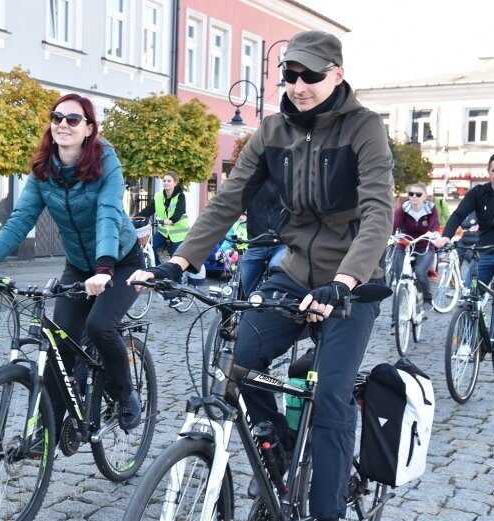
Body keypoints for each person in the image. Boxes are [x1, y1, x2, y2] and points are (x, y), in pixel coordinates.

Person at [128, 30, 393, 521]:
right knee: (236, 364)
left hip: (350, 284)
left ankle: (326, 510)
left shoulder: (364, 127)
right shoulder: (272, 131)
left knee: (332, 396)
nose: (298, 85)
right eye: (289, 75)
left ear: (336, 74)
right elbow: (227, 201)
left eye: (310, 75)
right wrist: (178, 262)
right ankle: (285, 450)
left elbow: (378, 212)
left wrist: (346, 282)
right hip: (292, 274)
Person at [0, 93, 143, 431]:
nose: (63, 124)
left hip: (120, 261)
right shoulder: (44, 169)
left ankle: (124, 394)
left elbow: (107, 213)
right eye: (57, 117)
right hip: (78, 264)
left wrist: (104, 268)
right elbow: (20, 220)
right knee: (60, 343)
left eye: (73, 119)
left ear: (89, 127)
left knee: (99, 326)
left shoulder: (106, 161)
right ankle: (50, 428)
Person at [435, 153, 494, 287]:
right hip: (484, 252)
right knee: (470, 295)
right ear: (489, 172)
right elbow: (458, 215)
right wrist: (446, 237)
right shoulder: (478, 193)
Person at [391, 182, 439, 332]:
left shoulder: (430, 209)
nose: (414, 197)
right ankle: (395, 321)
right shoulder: (403, 209)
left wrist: (435, 234)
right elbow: (394, 225)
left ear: (424, 196)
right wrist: (389, 234)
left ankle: (427, 298)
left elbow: (435, 225)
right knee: (399, 283)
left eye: (418, 194)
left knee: (420, 272)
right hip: (405, 246)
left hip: (425, 246)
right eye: (411, 194)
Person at [136, 170, 189, 306]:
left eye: (169, 181)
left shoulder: (180, 196)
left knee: (175, 261)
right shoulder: (159, 196)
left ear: (175, 183)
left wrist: (171, 220)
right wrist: (136, 217)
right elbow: (149, 209)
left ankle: (176, 296)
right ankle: (162, 271)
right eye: (164, 180)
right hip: (164, 231)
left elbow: (179, 212)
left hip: (178, 233)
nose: (166, 183)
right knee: (152, 248)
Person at [237, 179, 288, 296]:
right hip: (255, 244)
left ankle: (273, 304)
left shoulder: (286, 183)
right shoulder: (252, 183)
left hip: (280, 244)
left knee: (276, 267)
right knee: (244, 287)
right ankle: (244, 309)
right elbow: (235, 202)